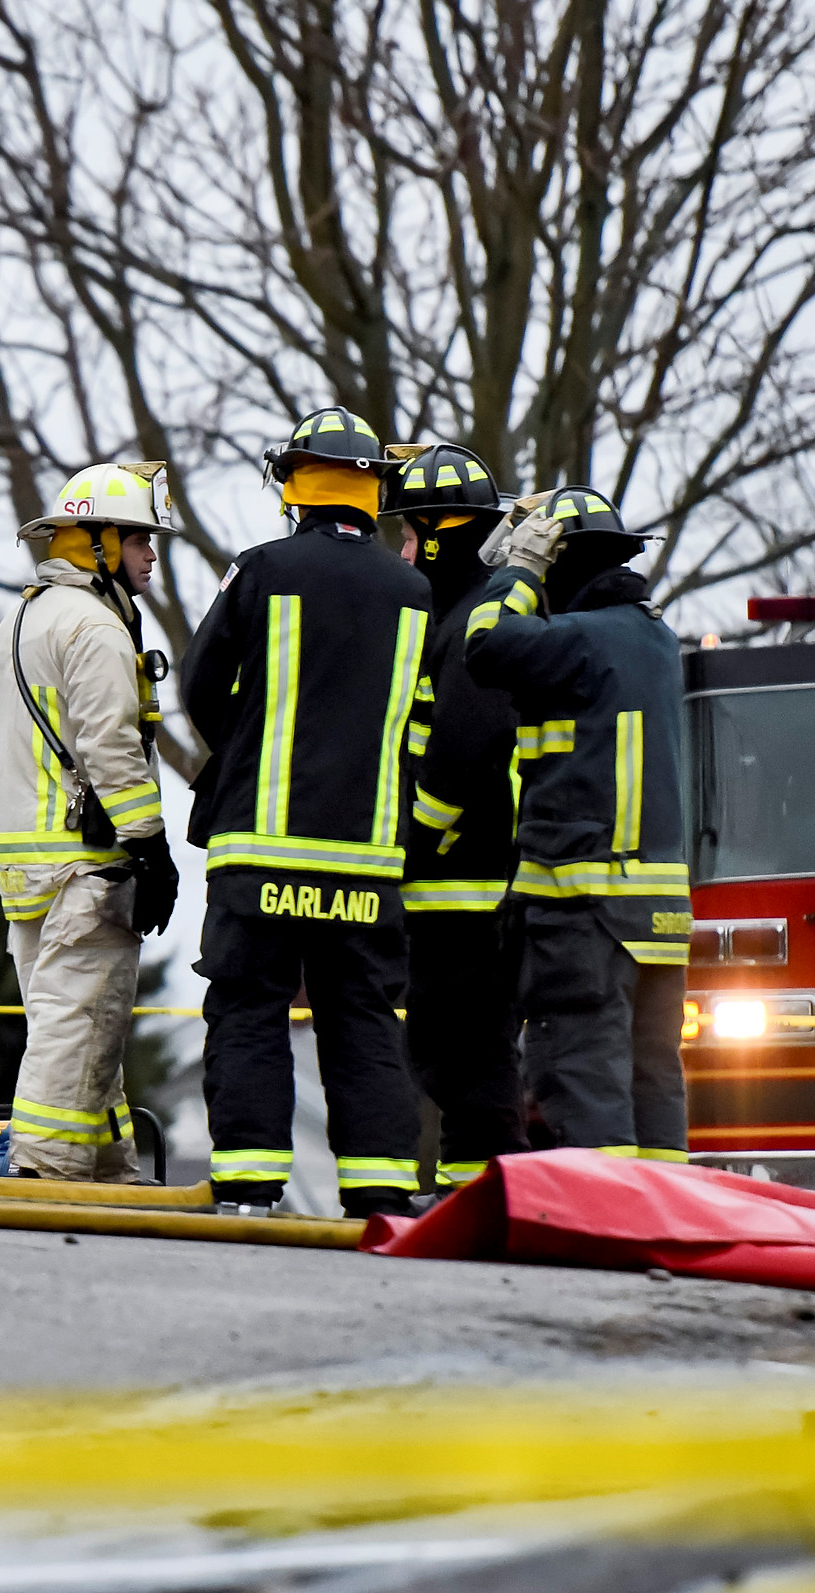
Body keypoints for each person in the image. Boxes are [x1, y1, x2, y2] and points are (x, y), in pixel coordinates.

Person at [181, 406, 430, 1217]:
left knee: (249, 1008)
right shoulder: (413, 590)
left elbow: (197, 686)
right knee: (361, 1019)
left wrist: (247, 746)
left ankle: (250, 1186)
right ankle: (381, 1190)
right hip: (366, 858)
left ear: (293, 482)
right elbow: (421, 723)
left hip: (260, 851)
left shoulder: (259, 569)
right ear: (373, 491)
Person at [462, 485, 690, 1161]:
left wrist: (517, 572)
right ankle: (662, 1219)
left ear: (560, 563)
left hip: (584, 913)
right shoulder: (654, 638)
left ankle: (606, 1229)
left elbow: (485, 642)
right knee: (654, 1082)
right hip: (658, 918)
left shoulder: (582, 638)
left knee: (581, 1074)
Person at [0, 462, 183, 1182]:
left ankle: (111, 1174)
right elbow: (109, 747)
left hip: (31, 873)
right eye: (139, 539)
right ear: (96, 542)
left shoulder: (25, 616)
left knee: (82, 1028)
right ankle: (43, 1174)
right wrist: (151, 847)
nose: (152, 555)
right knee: (75, 1030)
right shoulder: (96, 627)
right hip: (87, 870)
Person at [380, 441, 523, 1190]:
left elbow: (468, 743)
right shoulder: (458, 612)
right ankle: (478, 1194)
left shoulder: (472, 618)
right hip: (458, 888)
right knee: (456, 1058)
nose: (402, 554)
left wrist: (419, 836)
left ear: (437, 534)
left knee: (467, 1054)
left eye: (407, 536)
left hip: (462, 887)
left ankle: (498, 1194)